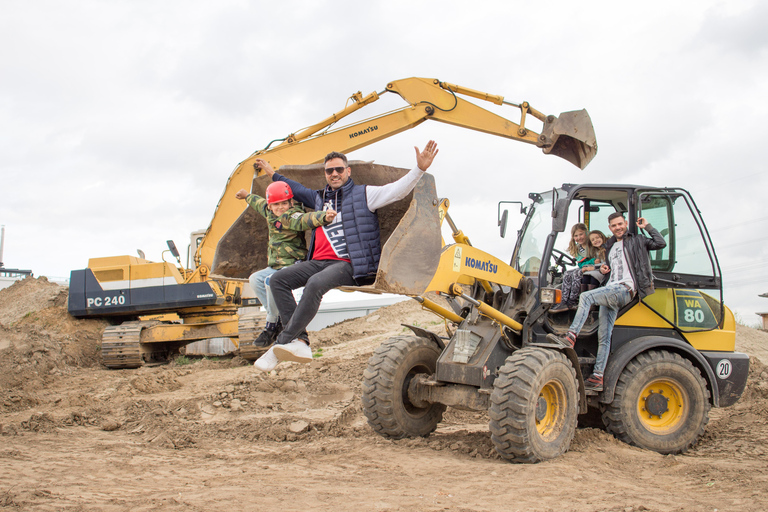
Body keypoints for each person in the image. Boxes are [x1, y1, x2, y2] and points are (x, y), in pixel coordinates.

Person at [251, 141, 439, 372]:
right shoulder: (318, 198)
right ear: (325, 174)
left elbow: (396, 190)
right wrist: (271, 173)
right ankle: (300, 340)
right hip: (318, 262)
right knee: (278, 280)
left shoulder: (365, 194)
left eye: (339, 169)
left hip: (349, 264)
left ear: (348, 171)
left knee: (315, 284)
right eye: (330, 170)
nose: (335, 173)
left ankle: (282, 342)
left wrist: (419, 169)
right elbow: (294, 187)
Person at [547, 213, 666, 391]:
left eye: (620, 224)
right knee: (604, 335)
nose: (618, 227)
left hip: (624, 289)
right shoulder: (610, 246)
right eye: (614, 225)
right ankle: (598, 377)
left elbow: (660, 243)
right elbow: (610, 267)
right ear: (610, 228)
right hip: (611, 287)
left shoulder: (637, 240)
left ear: (625, 223)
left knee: (586, 297)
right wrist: (603, 269)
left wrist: (647, 227)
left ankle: (571, 336)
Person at [235, 182, 337, 351]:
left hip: (293, 265)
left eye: (284, 203)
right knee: (254, 279)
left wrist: (323, 217)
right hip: (275, 265)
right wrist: (247, 195)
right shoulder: (269, 212)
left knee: (271, 281)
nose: (280, 207)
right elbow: (259, 203)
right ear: (271, 205)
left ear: (290, 202)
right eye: (276, 204)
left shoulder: (292, 216)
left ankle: (271, 323)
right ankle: (279, 319)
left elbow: (305, 220)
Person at [549, 223, 589, 312]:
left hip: (592, 268)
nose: (579, 237)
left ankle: (572, 301)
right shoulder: (578, 248)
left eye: (581, 234)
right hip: (583, 268)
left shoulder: (591, 245)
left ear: (586, 233)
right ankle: (563, 300)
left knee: (576, 273)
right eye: (576, 236)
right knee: (567, 273)